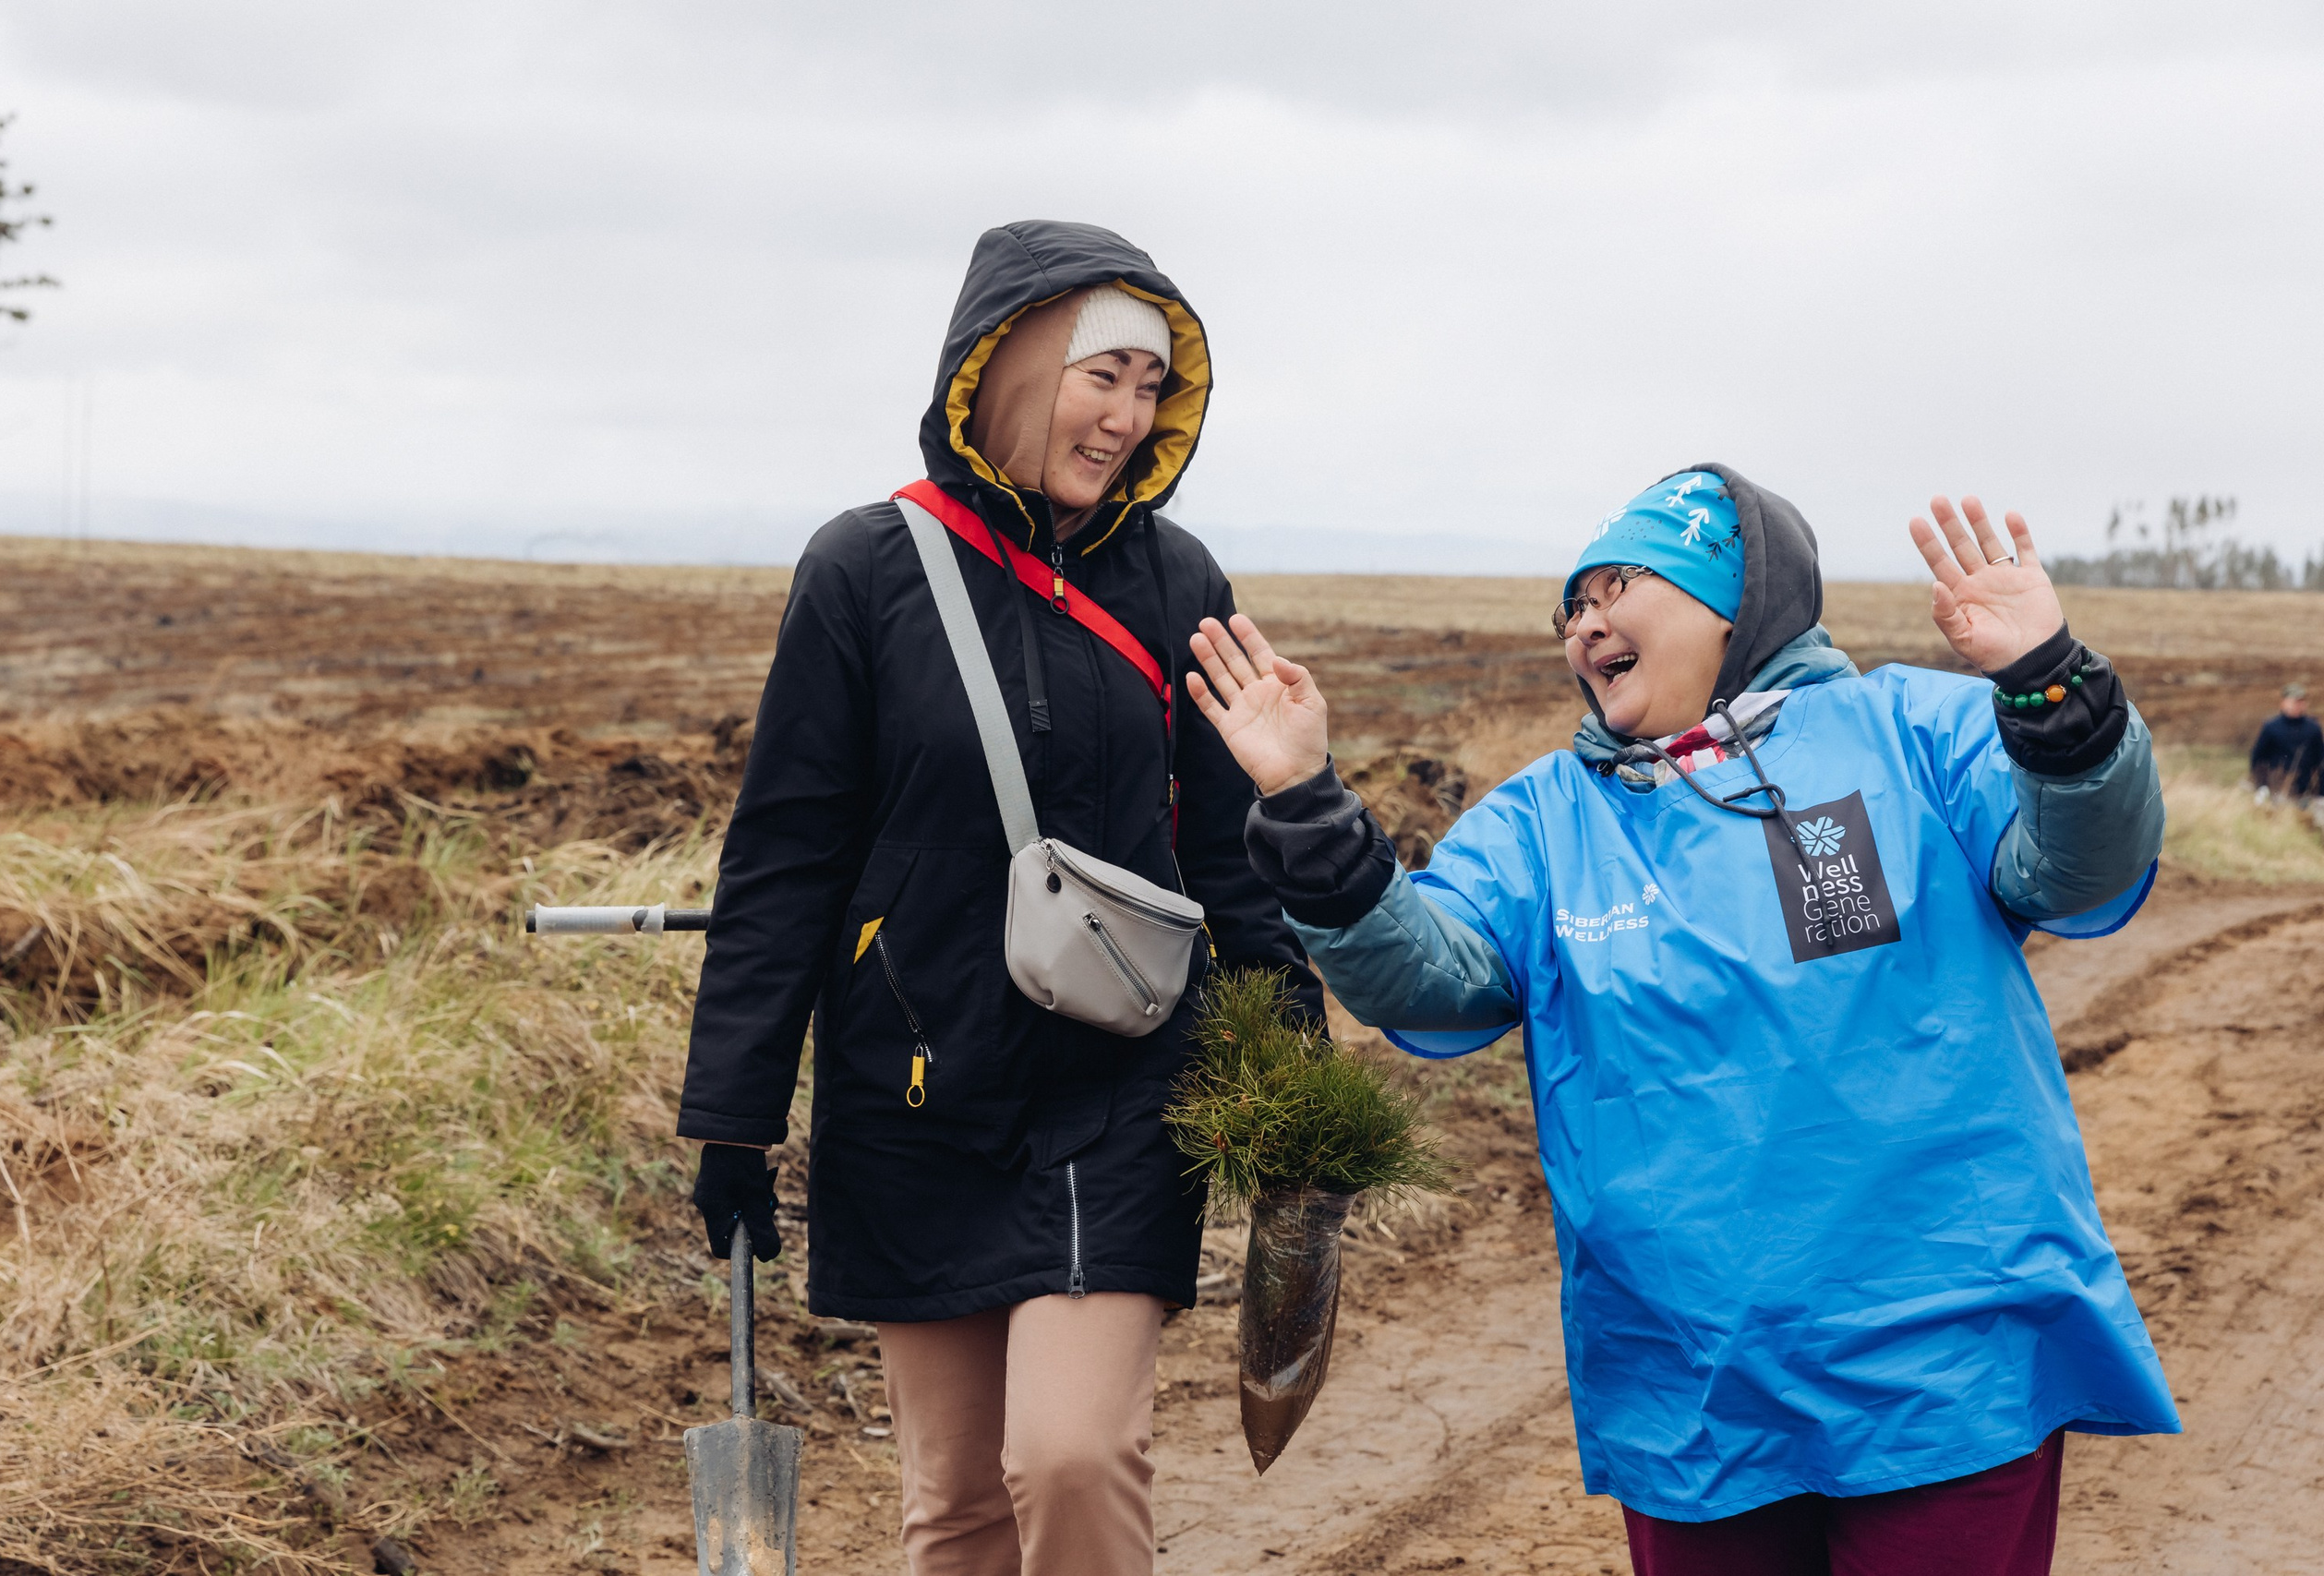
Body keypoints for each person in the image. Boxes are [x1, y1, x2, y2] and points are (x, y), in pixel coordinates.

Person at [1186, 467, 2178, 1575]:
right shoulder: (1543, 820)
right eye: (1571, 606)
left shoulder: (1907, 729)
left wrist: (2052, 691)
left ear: (1733, 599)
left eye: (1619, 586)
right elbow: (1424, 977)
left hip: (1947, 1350)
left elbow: (2082, 868)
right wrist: (1310, 810)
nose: (1585, 624)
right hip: (1687, 1374)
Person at [676, 221, 1321, 1576]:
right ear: (1011, 362)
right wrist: (734, 1117)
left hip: (1121, 1084)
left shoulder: (1175, 582)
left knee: (1073, 1456)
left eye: (1154, 384)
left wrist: (1294, 1069)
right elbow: (786, 855)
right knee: (958, 1505)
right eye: (1105, 376)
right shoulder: (862, 572)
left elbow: (1226, 845)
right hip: (914, 1085)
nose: (1131, 417)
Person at [2248, 681, 2322, 803]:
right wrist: (2261, 786)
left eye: (2301, 701)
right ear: (2283, 703)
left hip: (2306, 791)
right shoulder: (2271, 727)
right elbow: (2258, 757)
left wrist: (2321, 793)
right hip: (2276, 790)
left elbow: (2320, 761)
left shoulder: (2313, 728)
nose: (2298, 705)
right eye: (2294, 701)